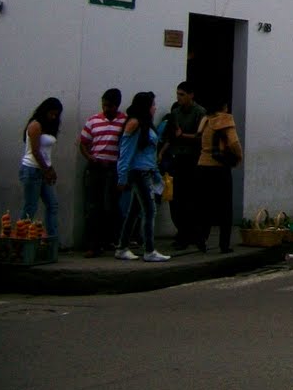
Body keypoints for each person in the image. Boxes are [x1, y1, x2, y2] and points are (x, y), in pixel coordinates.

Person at [115, 91, 170, 262]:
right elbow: (125, 152)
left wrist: (156, 175)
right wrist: (122, 176)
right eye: (153, 105)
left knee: (135, 211)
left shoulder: (144, 124)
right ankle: (149, 250)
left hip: (145, 170)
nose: (155, 108)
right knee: (149, 210)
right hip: (138, 172)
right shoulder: (134, 123)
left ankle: (122, 247)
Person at [78, 88, 126, 257]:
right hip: (96, 166)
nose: (106, 109)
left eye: (110, 106)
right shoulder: (93, 121)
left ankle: (112, 240)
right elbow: (83, 142)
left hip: (114, 167)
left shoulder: (124, 122)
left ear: (117, 105)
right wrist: (89, 157)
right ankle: (93, 244)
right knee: (94, 206)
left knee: (112, 206)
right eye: (104, 105)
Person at [158, 81, 205, 250]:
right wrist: (162, 153)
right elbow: (171, 136)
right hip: (177, 158)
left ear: (191, 95)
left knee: (190, 198)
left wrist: (183, 135)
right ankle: (182, 231)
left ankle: (190, 233)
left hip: (192, 159)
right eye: (178, 94)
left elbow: (201, 137)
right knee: (175, 198)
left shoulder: (200, 113)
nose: (179, 98)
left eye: (182, 94)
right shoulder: (175, 113)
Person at [194, 98, 243, 254]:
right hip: (220, 167)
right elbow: (234, 143)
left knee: (204, 205)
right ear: (224, 106)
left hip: (203, 163)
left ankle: (201, 239)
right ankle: (224, 244)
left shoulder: (205, 120)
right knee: (225, 208)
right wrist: (238, 157)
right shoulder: (224, 120)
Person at [19, 97, 63, 240]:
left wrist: (49, 169)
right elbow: (35, 151)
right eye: (51, 113)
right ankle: (21, 239)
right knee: (30, 207)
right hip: (32, 169)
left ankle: (52, 239)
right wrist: (47, 170)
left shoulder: (48, 127)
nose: (53, 117)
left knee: (52, 205)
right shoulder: (35, 125)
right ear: (45, 110)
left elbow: (45, 153)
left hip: (44, 169)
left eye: (56, 114)